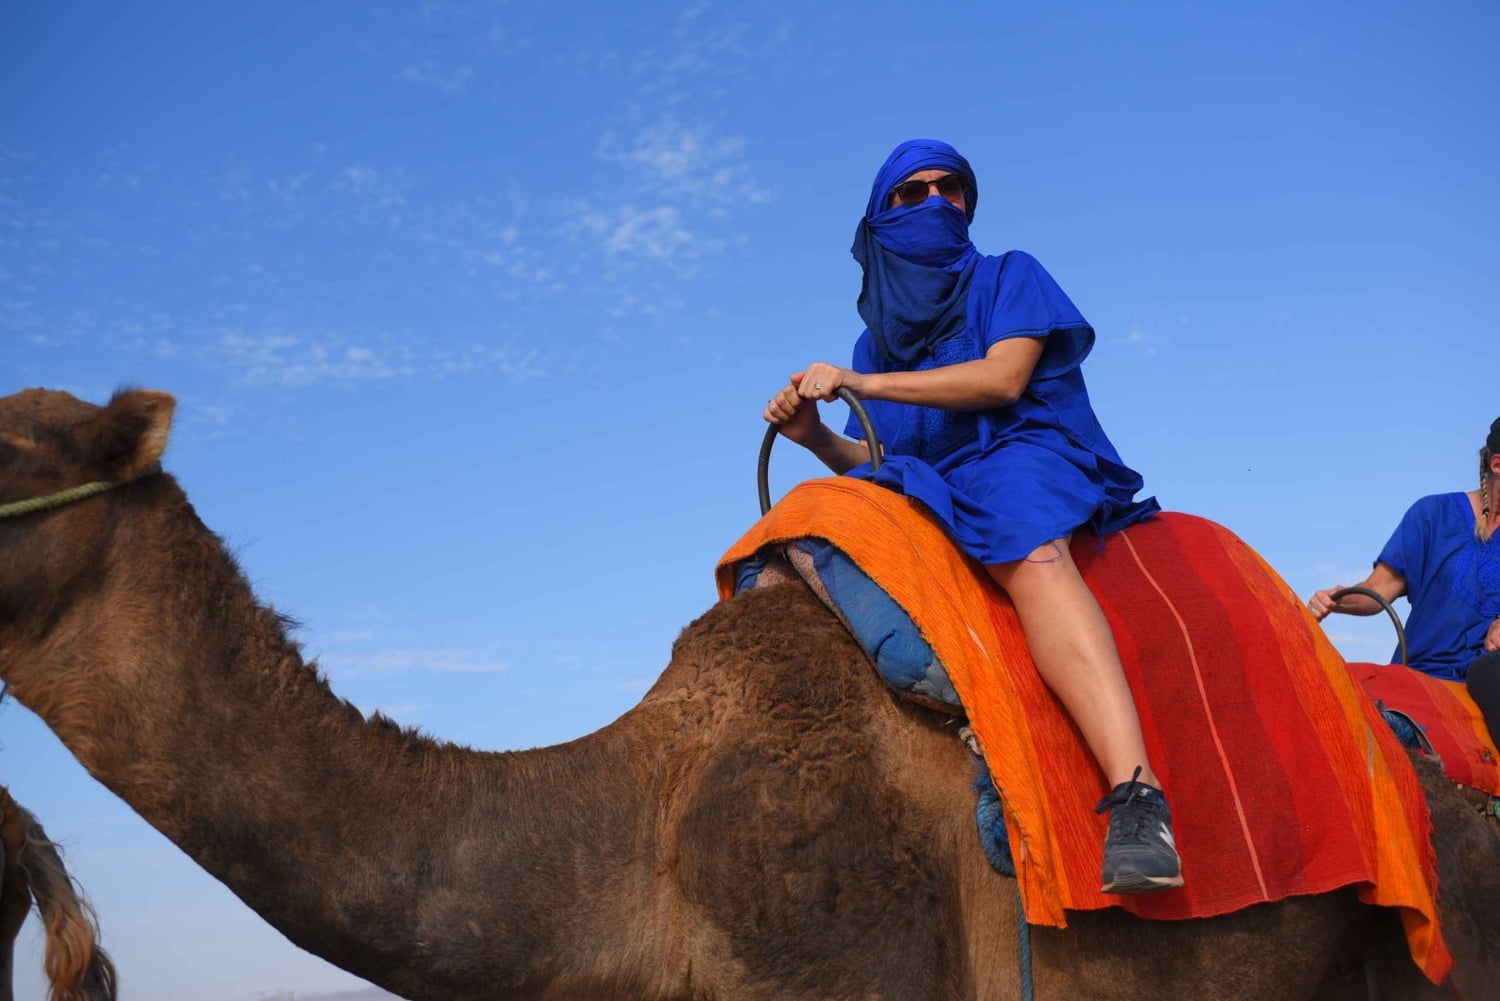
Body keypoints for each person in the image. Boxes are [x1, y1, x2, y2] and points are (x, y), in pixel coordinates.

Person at [763, 139, 1182, 895]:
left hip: (1024, 453)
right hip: (932, 483)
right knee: (810, 523)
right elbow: (883, 456)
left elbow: (1004, 377)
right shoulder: (877, 342)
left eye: (949, 189)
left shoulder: (1008, 276)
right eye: (911, 193)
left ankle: (1138, 794)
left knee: (1025, 540)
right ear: (879, 221)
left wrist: (858, 378)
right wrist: (817, 438)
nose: (933, 202)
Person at [1309, 417, 1500, 743]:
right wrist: (1335, 599)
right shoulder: (1433, 515)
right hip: (1421, 674)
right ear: (1497, 464)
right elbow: (1378, 590)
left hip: (1487, 682)